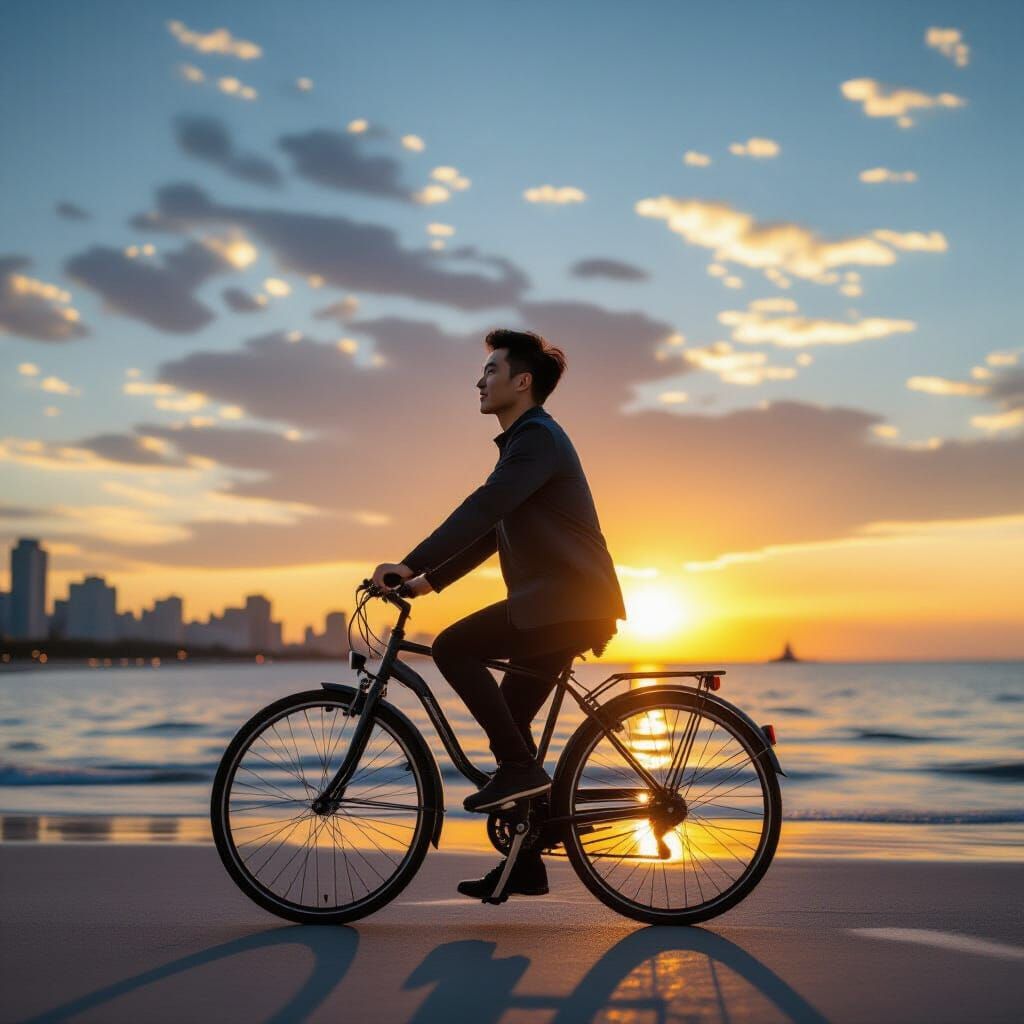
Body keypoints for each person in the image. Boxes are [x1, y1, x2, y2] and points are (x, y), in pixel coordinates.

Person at [371, 328, 626, 898]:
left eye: (490, 370)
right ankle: (527, 860)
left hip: (562, 603)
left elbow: (484, 507)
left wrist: (405, 561)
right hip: (556, 605)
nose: (479, 381)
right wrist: (424, 582)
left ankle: (522, 775)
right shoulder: (526, 445)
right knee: (511, 731)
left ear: (522, 381)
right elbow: (494, 528)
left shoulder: (536, 439)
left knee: (451, 648)